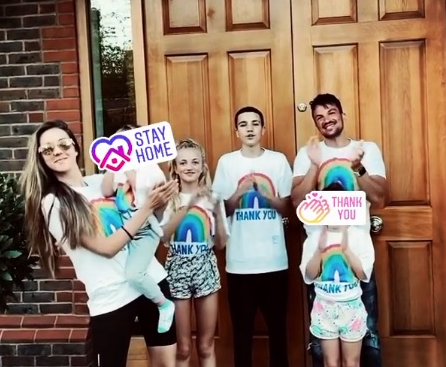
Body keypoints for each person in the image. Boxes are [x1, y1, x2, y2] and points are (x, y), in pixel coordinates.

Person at [19, 119, 179, 367]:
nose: (57, 151)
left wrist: (158, 200)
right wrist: (146, 209)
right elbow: (106, 248)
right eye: (48, 149)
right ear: (40, 158)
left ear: (75, 147)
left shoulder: (100, 182)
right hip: (111, 298)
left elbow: (143, 218)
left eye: (63, 144)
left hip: (151, 282)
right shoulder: (53, 203)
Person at [291, 93, 387, 367]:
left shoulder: (366, 148)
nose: (326, 120)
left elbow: (379, 197)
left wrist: (358, 170)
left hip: (357, 253)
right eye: (319, 117)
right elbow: (297, 202)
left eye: (331, 112)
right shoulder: (306, 154)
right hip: (320, 257)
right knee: (323, 345)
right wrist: (313, 164)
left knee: (367, 333)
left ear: (342, 114)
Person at [212, 106, 293, 367]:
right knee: (242, 334)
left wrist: (268, 197)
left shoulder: (278, 160)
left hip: (275, 262)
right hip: (240, 265)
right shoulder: (227, 162)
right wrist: (239, 192)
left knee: (278, 331)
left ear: (263, 129)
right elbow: (219, 211)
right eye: (244, 124)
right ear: (236, 131)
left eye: (255, 123)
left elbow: (289, 206)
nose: (249, 128)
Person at [160, 138, 229, 367]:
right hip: (177, 269)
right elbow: (163, 237)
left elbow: (220, 244)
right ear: (176, 168)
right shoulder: (168, 198)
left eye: (195, 162)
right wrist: (188, 207)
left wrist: (218, 214)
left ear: (202, 167)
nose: (189, 167)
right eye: (183, 163)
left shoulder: (213, 197)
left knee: (206, 345)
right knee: (183, 347)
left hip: (206, 268)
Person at [101, 124, 175, 334]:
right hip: (124, 233)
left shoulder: (150, 169)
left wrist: (130, 170)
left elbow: (148, 197)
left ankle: (164, 304)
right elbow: (106, 190)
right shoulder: (116, 171)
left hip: (145, 232)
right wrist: (112, 166)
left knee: (133, 274)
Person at [300, 182, 375, 367]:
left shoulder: (359, 235)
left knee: (351, 362)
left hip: (351, 308)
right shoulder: (314, 237)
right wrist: (319, 250)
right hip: (323, 308)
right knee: (330, 362)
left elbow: (364, 274)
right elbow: (309, 275)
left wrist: (347, 250)